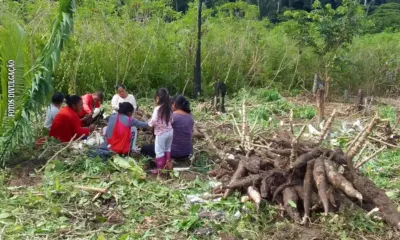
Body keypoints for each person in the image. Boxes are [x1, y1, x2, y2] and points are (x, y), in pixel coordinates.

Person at [141, 95, 194, 160]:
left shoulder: (173, 116)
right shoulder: (190, 117)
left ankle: (159, 163)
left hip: (174, 153)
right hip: (187, 152)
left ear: (174, 104)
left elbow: (156, 126)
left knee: (145, 149)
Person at [148, 88, 173, 174]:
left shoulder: (157, 109)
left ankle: (160, 169)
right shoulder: (169, 108)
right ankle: (168, 165)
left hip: (161, 133)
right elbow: (172, 120)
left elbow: (154, 119)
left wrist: (149, 124)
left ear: (157, 98)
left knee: (159, 151)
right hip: (170, 132)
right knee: (167, 149)